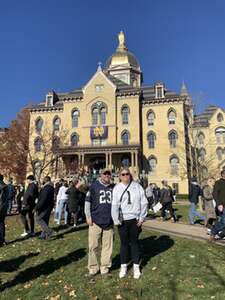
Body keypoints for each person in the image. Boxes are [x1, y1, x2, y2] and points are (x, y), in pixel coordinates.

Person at [112, 168, 148, 279]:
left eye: (127, 174)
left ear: (130, 175)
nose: (125, 176)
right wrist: (116, 219)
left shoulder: (137, 186)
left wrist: (142, 217)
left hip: (135, 220)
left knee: (134, 243)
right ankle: (123, 267)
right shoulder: (117, 188)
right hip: (123, 220)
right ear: (119, 176)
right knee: (123, 244)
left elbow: (144, 202)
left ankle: (136, 267)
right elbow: (114, 205)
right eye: (123, 174)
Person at [85, 168, 114, 276]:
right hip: (95, 221)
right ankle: (93, 268)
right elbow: (87, 202)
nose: (107, 175)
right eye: (104, 174)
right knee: (93, 246)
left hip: (109, 221)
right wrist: (88, 216)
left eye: (108, 174)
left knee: (107, 247)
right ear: (100, 175)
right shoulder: (94, 186)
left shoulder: (113, 187)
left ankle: (104, 268)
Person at [210, 170, 225, 241]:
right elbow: (215, 194)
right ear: (222, 175)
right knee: (223, 222)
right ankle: (213, 232)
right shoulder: (218, 183)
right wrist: (219, 204)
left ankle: (220, 235)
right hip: (222, 206)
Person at [0, 174, 9, 247]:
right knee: (1, 223)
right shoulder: (6, 186)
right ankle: (2, 240)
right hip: (4, 208)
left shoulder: (1, 186)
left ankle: (2, 240)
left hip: (0, 207)